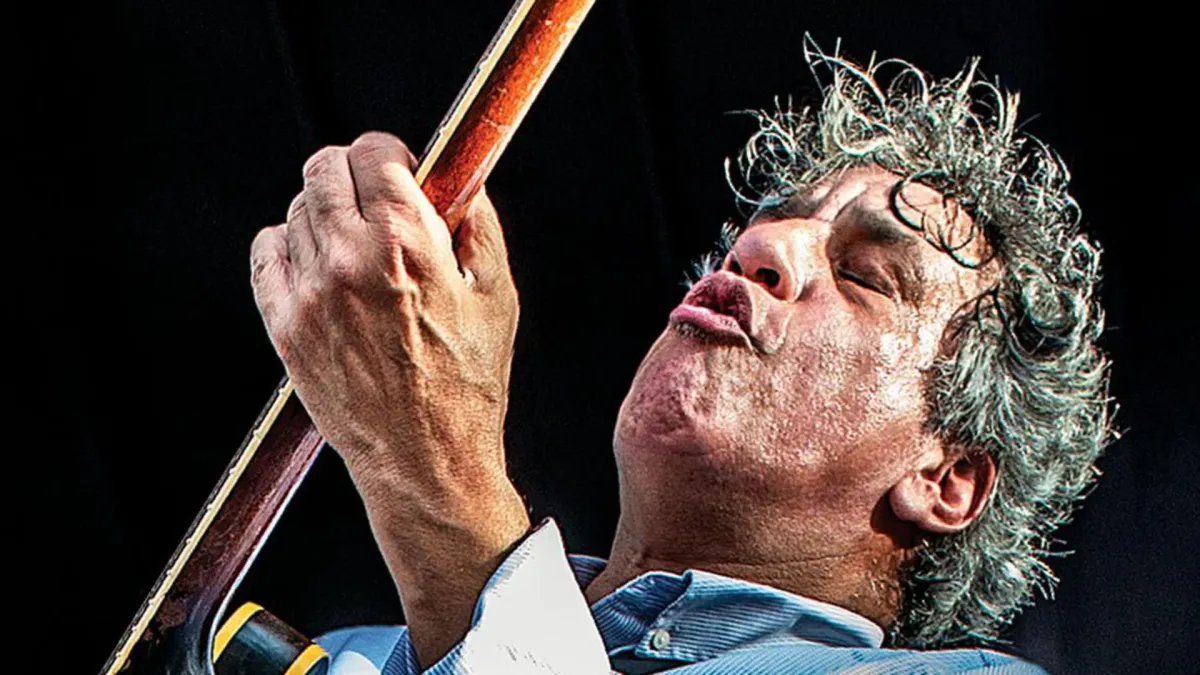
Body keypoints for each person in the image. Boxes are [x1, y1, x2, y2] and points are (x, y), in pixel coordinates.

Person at [249, 42, 1111, 674]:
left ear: (946, 477)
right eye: (769, 223)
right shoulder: (339, 650)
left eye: (863, 276)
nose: (759, 245)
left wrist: (440, 479)